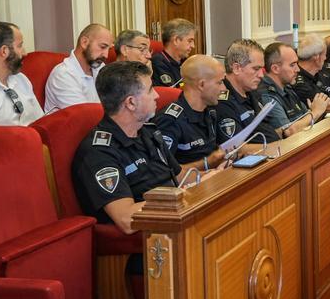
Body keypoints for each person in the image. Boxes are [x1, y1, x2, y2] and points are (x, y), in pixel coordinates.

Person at [71, 61, 181, 236]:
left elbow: (177, 178)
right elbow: (126, 219)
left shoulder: (148, 131)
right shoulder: (98, 152)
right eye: (151, 89)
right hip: (149, 239)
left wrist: (209, 178)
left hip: (175, 218)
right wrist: (180, 197)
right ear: (130, 103)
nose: (157, 96)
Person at [152, 54, 229, 172]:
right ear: (201, 85)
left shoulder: (210, 111)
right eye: (220, 82)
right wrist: (208, 163)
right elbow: (165, 173)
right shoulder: (170, 121)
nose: (224, 89)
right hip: (190, 186)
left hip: (215, 177)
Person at [218, 39, 280, 153]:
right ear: (237, 68)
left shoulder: (251, 91)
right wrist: (281, 146)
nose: (261, 75)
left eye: (262, 69)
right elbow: (235, 149)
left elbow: (264, 130)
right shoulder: (223, 102)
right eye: (256, 69)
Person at [256, 43, 329, 139]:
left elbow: (305, 119)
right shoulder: (267, 95)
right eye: (292, 65)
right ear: (275, 69)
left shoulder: (287, 87)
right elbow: (288, 133)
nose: (298, 69)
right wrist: (315, 112)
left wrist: (313, 114)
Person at [45, 23, 113, 113]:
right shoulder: (63, 75)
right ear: (84, 42)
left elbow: (114, 102)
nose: (106, 55)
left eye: (108, 49)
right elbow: (84, 116)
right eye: (102, 47)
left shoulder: (100, 67)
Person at [292, 34, 330, 108]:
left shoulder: (320, 73)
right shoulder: (300, 83)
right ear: (317, 57)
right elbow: (328, 107)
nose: (325, 58)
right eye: (325, 54)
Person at [152, 18, 197, 88]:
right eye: (190, 41)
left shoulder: (186, 62)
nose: (193, 46)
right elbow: (171, 93)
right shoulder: (158, 62)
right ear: (176, 40)